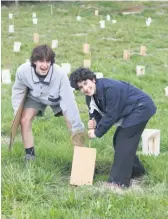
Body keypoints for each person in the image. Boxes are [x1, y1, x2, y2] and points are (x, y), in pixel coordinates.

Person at [69, 67, 157, 188]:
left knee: (124, 139)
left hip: (141, 108)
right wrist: (93, 122)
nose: (85, 88)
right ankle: (137, 171)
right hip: (129, 111)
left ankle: (118, 183)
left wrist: (97, 132)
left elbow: (111, 115)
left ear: (93, 79)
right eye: (80, 87)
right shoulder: (89, 96)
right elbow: (94, 113)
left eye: (85, 83)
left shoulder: (110, 89)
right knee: (118, 141)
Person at [12, 45, 85, 160]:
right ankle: (30, 156)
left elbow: (68, 101)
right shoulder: (23, 71)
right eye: (41, 61)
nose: (45, 65)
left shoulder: (60, 74)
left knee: (71, 121)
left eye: (48, 61)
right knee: (24, 120)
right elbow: (18, 91)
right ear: (34, 61)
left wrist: (76, 126)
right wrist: (17, 112)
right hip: (35, 96)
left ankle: (81, 157)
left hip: (57, 97)